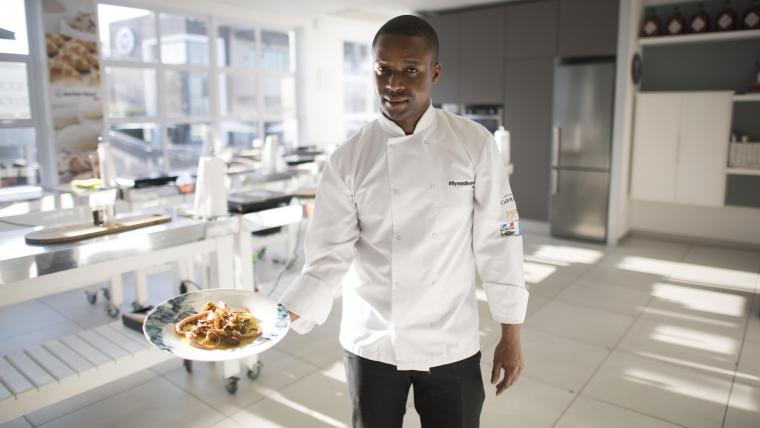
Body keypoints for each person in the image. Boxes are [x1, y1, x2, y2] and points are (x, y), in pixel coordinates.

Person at [280, 14, 528, 428]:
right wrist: (281, 315)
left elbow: (499, 242)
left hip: (450, 338)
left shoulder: (472, 144)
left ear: (434, 72)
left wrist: (511, 335)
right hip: (373, 340)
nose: (394, 84)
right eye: (384, 70)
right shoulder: (349, 158)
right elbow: (329, 255)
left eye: (410, 70)